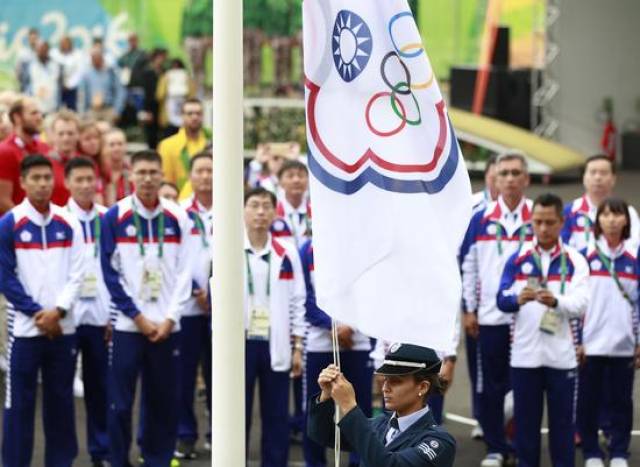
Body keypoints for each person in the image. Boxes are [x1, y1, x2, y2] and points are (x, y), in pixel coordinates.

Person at [100, 150, 193, 466]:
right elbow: (110, 273)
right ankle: (119, 459)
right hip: (130, 327)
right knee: (121, 404)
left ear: (162, 175)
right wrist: (137, 317)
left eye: (154, 172)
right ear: (131, 176)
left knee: (163, 400)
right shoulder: (115, 216)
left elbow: (186, 272)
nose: (148, 178)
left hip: (168, 327)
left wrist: (170, 317)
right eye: (142, 172)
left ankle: (157, 458)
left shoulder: (178, 217)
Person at [0, 154, 85, 467]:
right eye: (35, 178)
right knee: (18, 406)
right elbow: (5, 277)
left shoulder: (69, 221)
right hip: (25, 331)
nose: (42, 184)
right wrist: (39, 314)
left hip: (63, 328)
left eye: (47, 178)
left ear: (55, 181)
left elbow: (79, 271)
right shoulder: (9, 224)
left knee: (60, 404)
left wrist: (59, 311)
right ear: (22, 183)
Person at [496, 193, 589, 467]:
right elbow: (500, 300)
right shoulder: (517, 258)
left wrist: (557, 301)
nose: (544, 228)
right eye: (538, 222)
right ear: (531, 222)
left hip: (562, 357)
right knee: (526, 429)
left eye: (550, 222)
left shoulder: (575, 260)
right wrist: (516, 299)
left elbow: (582, 303)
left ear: (561, 222)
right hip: (525, 357)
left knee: (562, 430)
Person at [460, 151, 533, 467]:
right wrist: (469, 309)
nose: (510, 179)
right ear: (495, 178)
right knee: (491, 384)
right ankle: (495, 447)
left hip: (531, 318)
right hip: (491, 316)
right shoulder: (481, 218)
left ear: (526, 179)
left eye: (516, 173)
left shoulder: (538, 215)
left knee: (526, 384)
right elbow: (469, 266)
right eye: (504, 173)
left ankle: (519, 443)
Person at [307, 343, 456, 467]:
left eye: (396, 381)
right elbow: (324, 435)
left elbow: (389, 464)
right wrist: (325, 396)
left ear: (422, 387)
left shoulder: (439, 442)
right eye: (385, 379)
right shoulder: (380, 424)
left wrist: (349, 406)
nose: (385, 388)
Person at [243, 187, 306, 467]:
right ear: (243, 211)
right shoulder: (227, 248)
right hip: (240, 343)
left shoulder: (287, 252)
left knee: (276, 415)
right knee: (236, 413)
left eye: (266, 206)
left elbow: (298, 300)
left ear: (274, 212)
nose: (260, 212)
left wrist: (298, 346)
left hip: (275, 341)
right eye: (254, 205)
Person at [299, 237, 374, 467]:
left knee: (360, 407)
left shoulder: (365, 247)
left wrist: (350, 325)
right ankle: (315, 462)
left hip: (357, 340)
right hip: (320, 343)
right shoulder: (307, 249)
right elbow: (304, 296)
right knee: (317, 407)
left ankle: (359, 461)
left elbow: (372, 290)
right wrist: (330, 325)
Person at [578, 198, 639, 467]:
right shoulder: (583, 255)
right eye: (606, 214)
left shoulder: (635, 257)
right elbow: (576, 303)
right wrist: (577, 341)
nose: (612, 219)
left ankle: (618, 452)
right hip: (590, 345)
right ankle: (591, 452)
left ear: (626, 220)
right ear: (598, 220)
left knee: (622, 403)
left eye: (617, 214)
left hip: (624, 345)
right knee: (588, 402)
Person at [64, 157, 111, 467]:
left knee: (100, 389)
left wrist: (114, 315)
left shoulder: (109, 218)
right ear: (67, 183)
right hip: (66, 317)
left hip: (100, 316)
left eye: (89, 180)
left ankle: (102, 451)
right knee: (59, 392)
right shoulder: (59, 219)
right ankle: (63, 455)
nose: (84, 186)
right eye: (78, 180)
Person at [175, 151, 213, 459]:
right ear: (191, 176)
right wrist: (196, 291)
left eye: (211, 171)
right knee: (184, 375)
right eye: (199, 171)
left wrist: (213, 296)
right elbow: (174, 261)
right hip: (188, 307)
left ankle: (219, 431)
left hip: (220, 310)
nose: (205, 176)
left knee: (219, 373)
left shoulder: (232, 209)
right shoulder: (179, 213)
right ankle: (185, 434)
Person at [464, 154, 499, 441]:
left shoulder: (524, 212)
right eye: (495, 173)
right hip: (475, 296)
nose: (501, 179)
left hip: (507, 304)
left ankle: (505, 421)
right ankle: (481, 416)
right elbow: (462, 252)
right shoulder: (473, 204)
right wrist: (467, 305)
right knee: (479, 365)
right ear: (488, 176)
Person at [562, 154, 640, 252]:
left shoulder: (628, 212)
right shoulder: (569, 211)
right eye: (592, 172)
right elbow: (563, 246)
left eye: (603, 173)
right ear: (584, 178)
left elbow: (635, 245)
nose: (598, 177)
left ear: (613, 179)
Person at [0, 97, 50, 214]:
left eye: (40, 113)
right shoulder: (4, 151)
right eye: (34, 113)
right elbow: (2, 200)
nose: (39, 118)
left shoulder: (45, 148)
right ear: (17, 118)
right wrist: (28, 223)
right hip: (16, 228)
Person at [157, 98, 210, 199]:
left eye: (198, 113)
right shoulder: (167, 145)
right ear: (182, 116)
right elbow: (165, 182)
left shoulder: (211, 144)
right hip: (178, 202)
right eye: (190, 114)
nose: (194, 117)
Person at [79, 44, 125, 124]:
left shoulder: (111, 72)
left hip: (108, 110)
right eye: (93, 58)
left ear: (102, 58)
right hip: (92, 111)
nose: (95, 60)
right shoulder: (86, 74)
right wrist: (82, 113)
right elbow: (82, 95)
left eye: (97, 57)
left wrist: (117, 111)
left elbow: (120, 91)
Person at [271, 160, 312, 248]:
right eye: (290, 176)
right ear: (280, 182)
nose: (296, 180)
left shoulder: (317, 212)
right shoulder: (272, 213)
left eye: (301, 176)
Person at [47, 110, 81, 205]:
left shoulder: (86, 163)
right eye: (61, 134)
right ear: (52, 135)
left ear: (78, 134)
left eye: (70, 133)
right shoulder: (43, 164)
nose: (65, 138)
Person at [156, 58, 196, 139]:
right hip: (168, 117)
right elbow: (159, 95)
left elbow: (192, 96)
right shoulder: (165, 78)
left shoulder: (187, 79)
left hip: (184, 118)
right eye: (173, 68)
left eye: (178, 68)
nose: (176, 70)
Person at [139, 48, 168, 149]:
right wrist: (147, 110)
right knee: (151, 132)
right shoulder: (147, 72)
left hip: (162, 106)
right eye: (160, 57)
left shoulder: (164, 71)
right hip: (151, 106)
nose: (162, 60)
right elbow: (146, 93)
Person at [25, 41, 61, 115]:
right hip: (35, 106)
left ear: (48, 50)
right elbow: (26, 85)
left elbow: (59, 86)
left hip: (52, 106)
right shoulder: (31, 66)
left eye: (43, 50)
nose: (41, 52)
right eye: (39, 50)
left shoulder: (55, 66)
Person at [101, 128, 133, 206]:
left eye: (120, 144)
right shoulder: (99, 172)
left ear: (126, 146)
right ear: (103, 147)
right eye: (112, 145)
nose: (116, 148)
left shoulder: (133, 171)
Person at [51, 36, 84, 111]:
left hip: (72, 89)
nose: (63, 45)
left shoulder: (78, 55)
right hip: (57, 88)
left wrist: (68, 84)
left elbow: (79, 72)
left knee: (72, 110)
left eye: (66, 43)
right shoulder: (54, 54)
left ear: (70, 44)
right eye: (62, 43)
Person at [15, 28, 40, 93]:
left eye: (35, 39)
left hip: (38, 86)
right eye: (31, 39)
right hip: (25, 87)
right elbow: (18, 71)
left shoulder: (41, 53)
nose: (33, 41)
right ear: (28, 39)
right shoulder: (23, 53)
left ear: (38, 39)